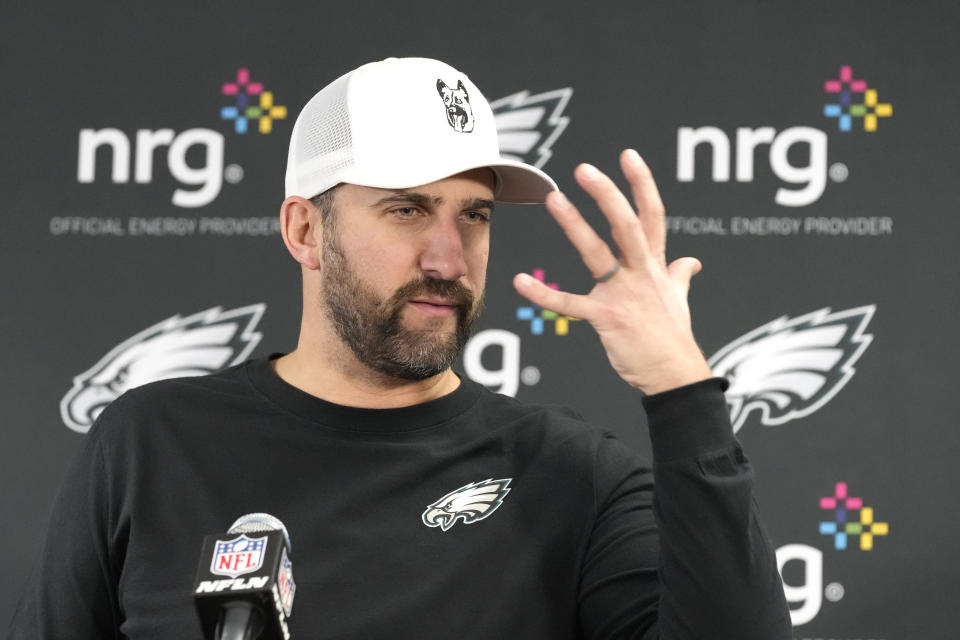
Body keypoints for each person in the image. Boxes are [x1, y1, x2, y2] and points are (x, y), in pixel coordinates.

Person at [7, 57, 791, 639]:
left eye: (474, 215)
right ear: (305, 231)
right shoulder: (149, 444)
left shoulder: (573, 473)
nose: (449, 259)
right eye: (408, 209)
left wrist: (681, 389)